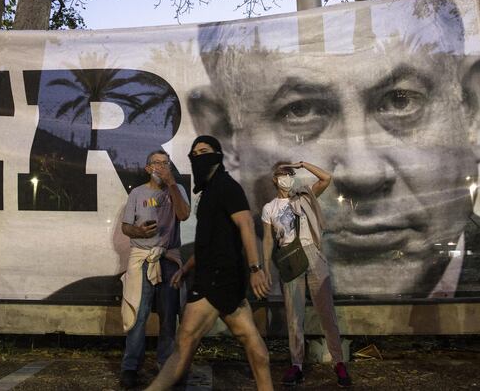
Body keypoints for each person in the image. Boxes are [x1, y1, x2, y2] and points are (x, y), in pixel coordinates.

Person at [188, 0, 480, 298]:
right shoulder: (208, 266)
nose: (364, 173)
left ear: (471, 109)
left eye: (400, 101)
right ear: (227, 133)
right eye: (299, 110)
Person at [146, 136, 273, 391]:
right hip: (220, 278)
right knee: (250, 341)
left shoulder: (227, 186)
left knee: (184, 345)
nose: (198, 156)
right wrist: (186, 268)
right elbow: (209, 244)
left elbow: (246, 225)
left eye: (204, 151)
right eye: (194, 153)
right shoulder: (210, 192)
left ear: (217, 156)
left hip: (216, 279)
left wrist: (256, 269)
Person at [261, 161, 352, 387]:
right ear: (274, 178)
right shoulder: (270, 207)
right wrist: (264, 267)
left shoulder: (304, 195)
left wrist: (302, 164)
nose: (287, 176)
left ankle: (338, 362)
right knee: (294, 316)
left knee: (326, 312)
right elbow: (268, 239)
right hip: (290, 260)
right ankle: (297, 365)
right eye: (283, 173)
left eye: (290, 173)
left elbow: (326, 179)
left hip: (312, 254)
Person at [119, 150, 189, 389]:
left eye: (165, 163)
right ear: (147, 167)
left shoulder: (177, 190)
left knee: (169, 317)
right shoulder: (137, 193)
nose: (160, 167)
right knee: (138, 315)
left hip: (168, 259)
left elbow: (184, 214)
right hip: (141, 258)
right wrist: (139, 231)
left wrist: (171, 184)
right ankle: (130, 368)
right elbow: (126, 227)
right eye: (156, 163)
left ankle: (166, 366)